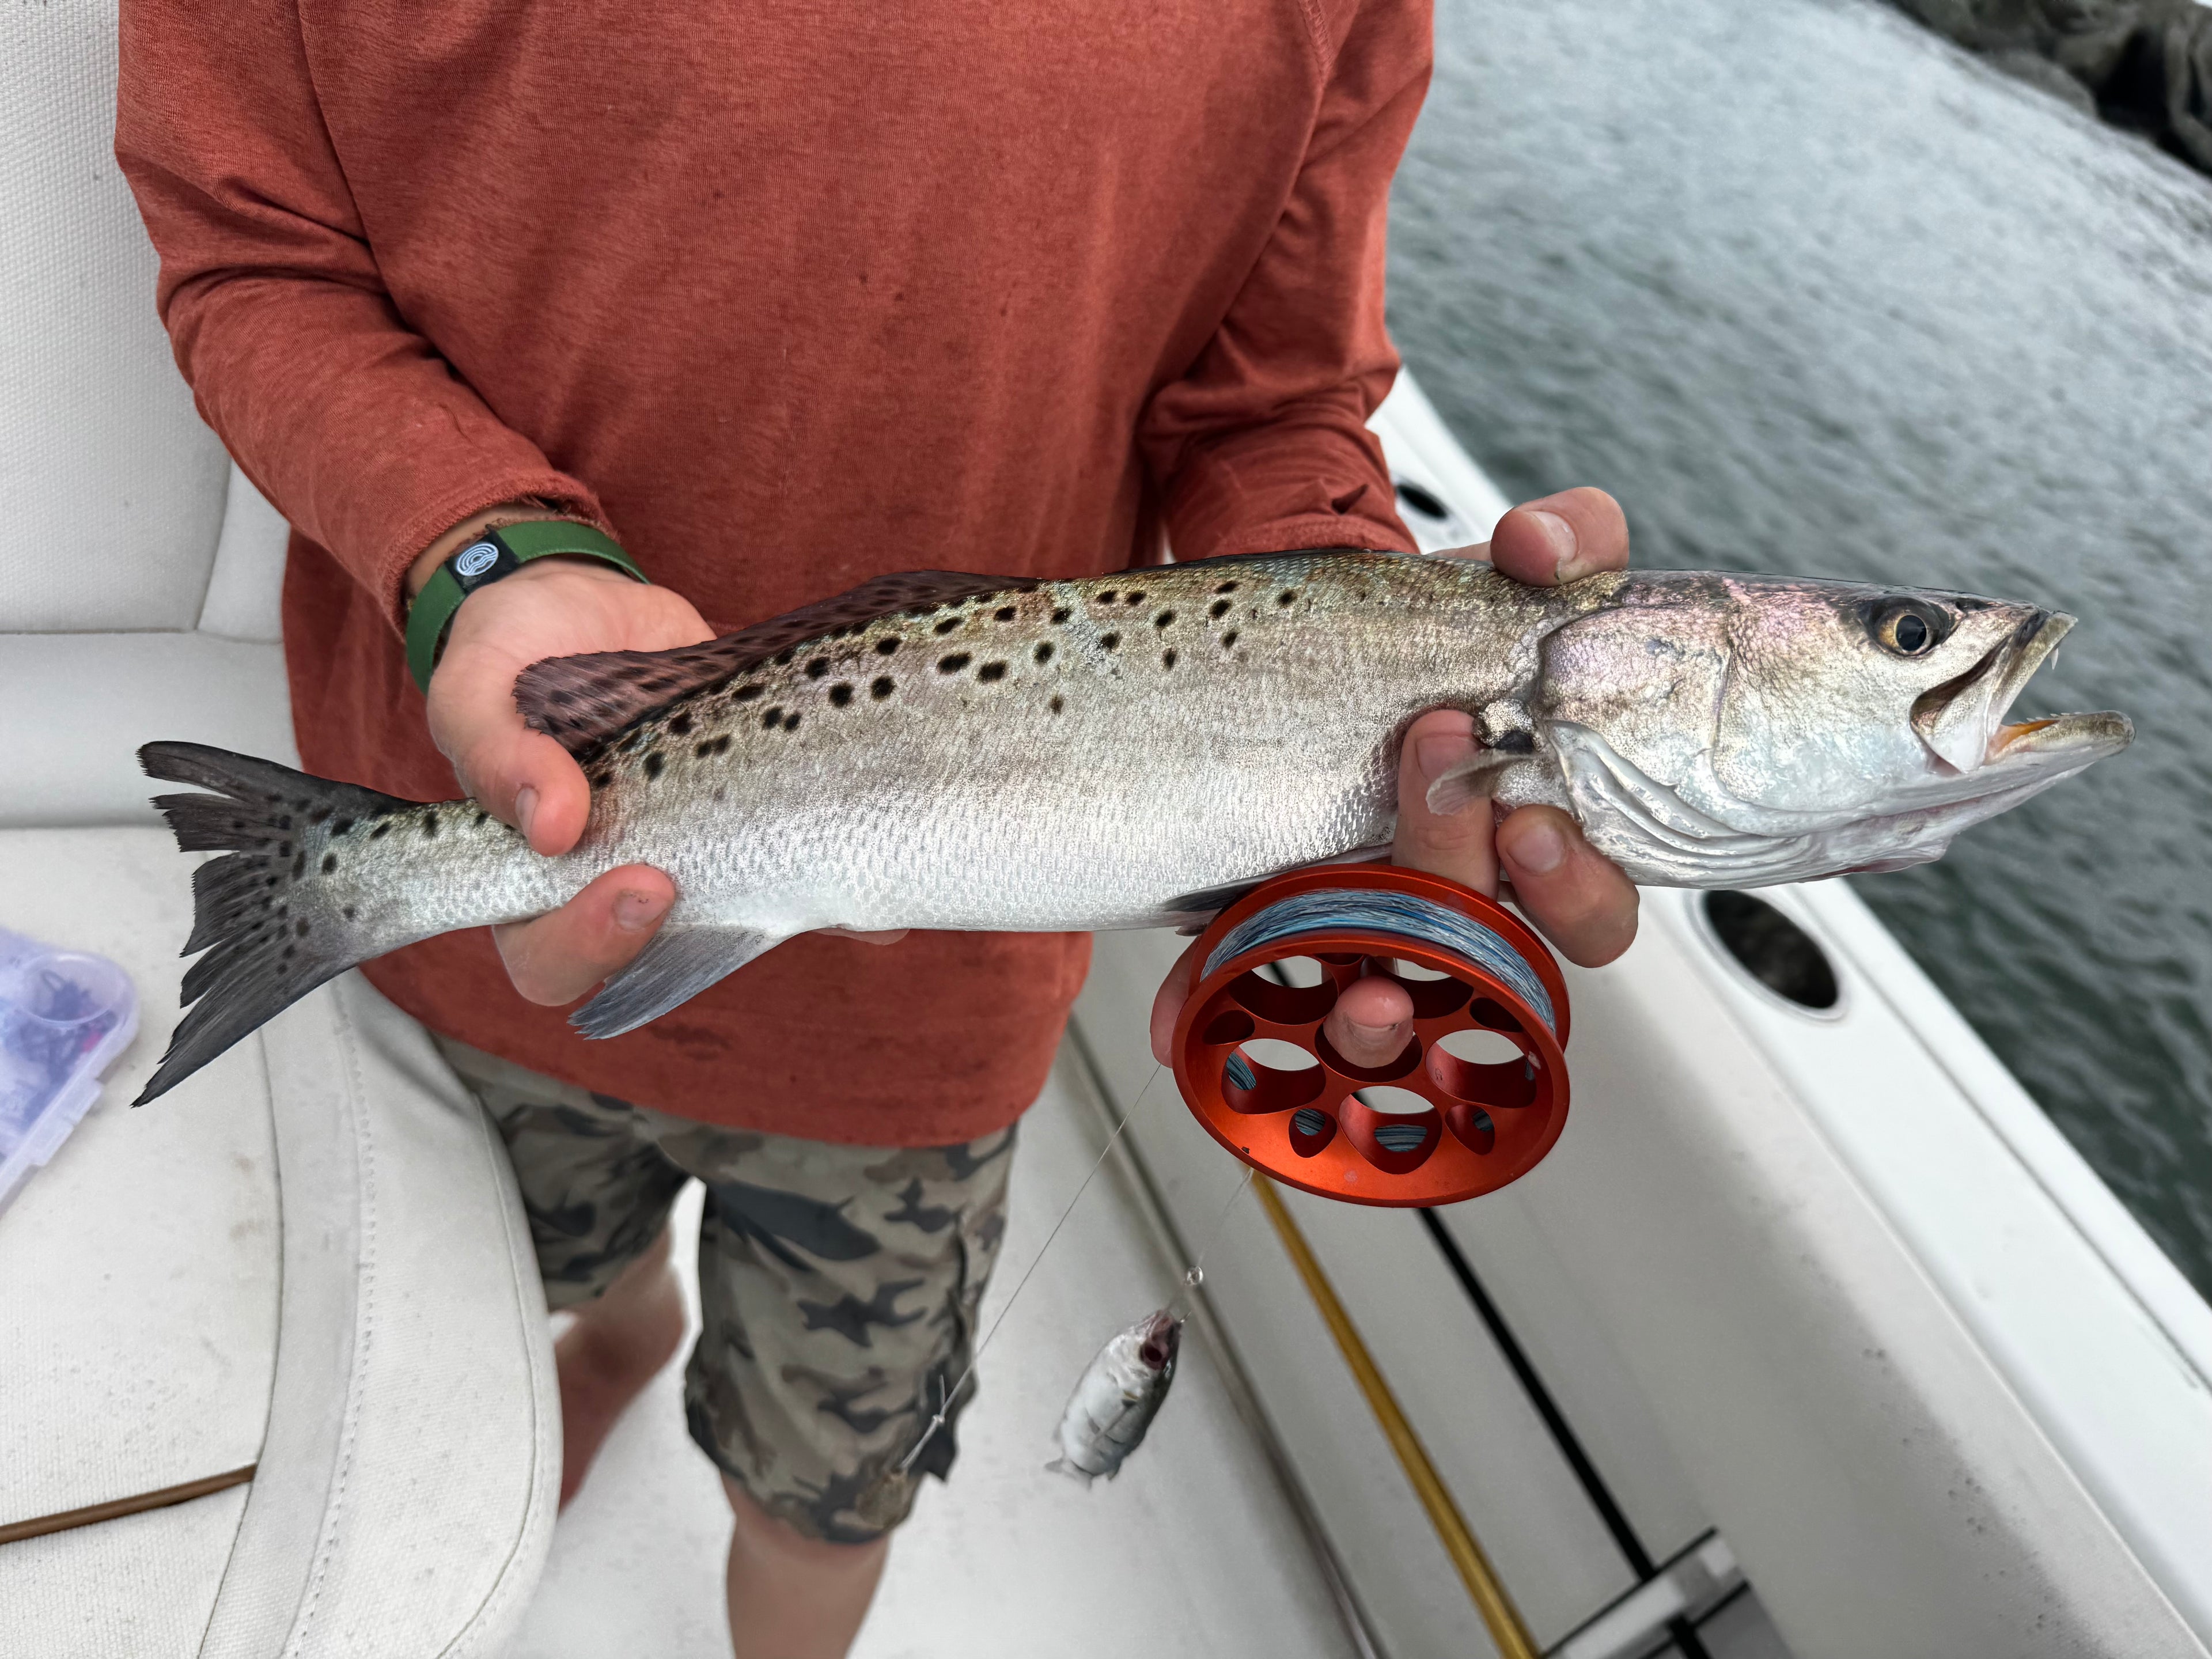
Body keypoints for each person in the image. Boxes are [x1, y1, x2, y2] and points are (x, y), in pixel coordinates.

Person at [116, 1, 1636, 1652]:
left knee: (824, 1497)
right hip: (486, 906)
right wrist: (477, 552)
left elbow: (1268, 407)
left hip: (926, 1034)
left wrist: (1361, 672)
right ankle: (624, 1342)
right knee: (542, 1289)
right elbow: (253, 250)